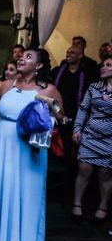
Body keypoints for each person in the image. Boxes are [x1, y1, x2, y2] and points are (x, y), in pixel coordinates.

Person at [0, 49, 63, 241]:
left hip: (28, 146)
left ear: (39, 66)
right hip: (2, 144)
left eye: (29, 57)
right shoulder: (6, 86)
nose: (22, 58)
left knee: (27, 192)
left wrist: (48, 118)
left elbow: (61, 116)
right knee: (3, 188)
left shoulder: (48, 90)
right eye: (21, 56)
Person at [51, 45, 97, 198]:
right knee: (54, 152)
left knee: (71, 154)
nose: (68, 54)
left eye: (72, 53)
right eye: (67, 52)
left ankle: (68, 188)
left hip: (76, 118)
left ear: (81, 56)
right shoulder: (58, 71)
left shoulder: (87, 74)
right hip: (56, 116)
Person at [71, 54, 112, 223]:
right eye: (103, 65)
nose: (103, 67)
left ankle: (103, 206)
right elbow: (83, 109)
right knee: (84, 170)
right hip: (90, 135)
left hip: (109, 139)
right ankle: (77, 204)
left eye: (109, 65)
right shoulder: (94, 87)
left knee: (105, 173)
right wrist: (77, 129)